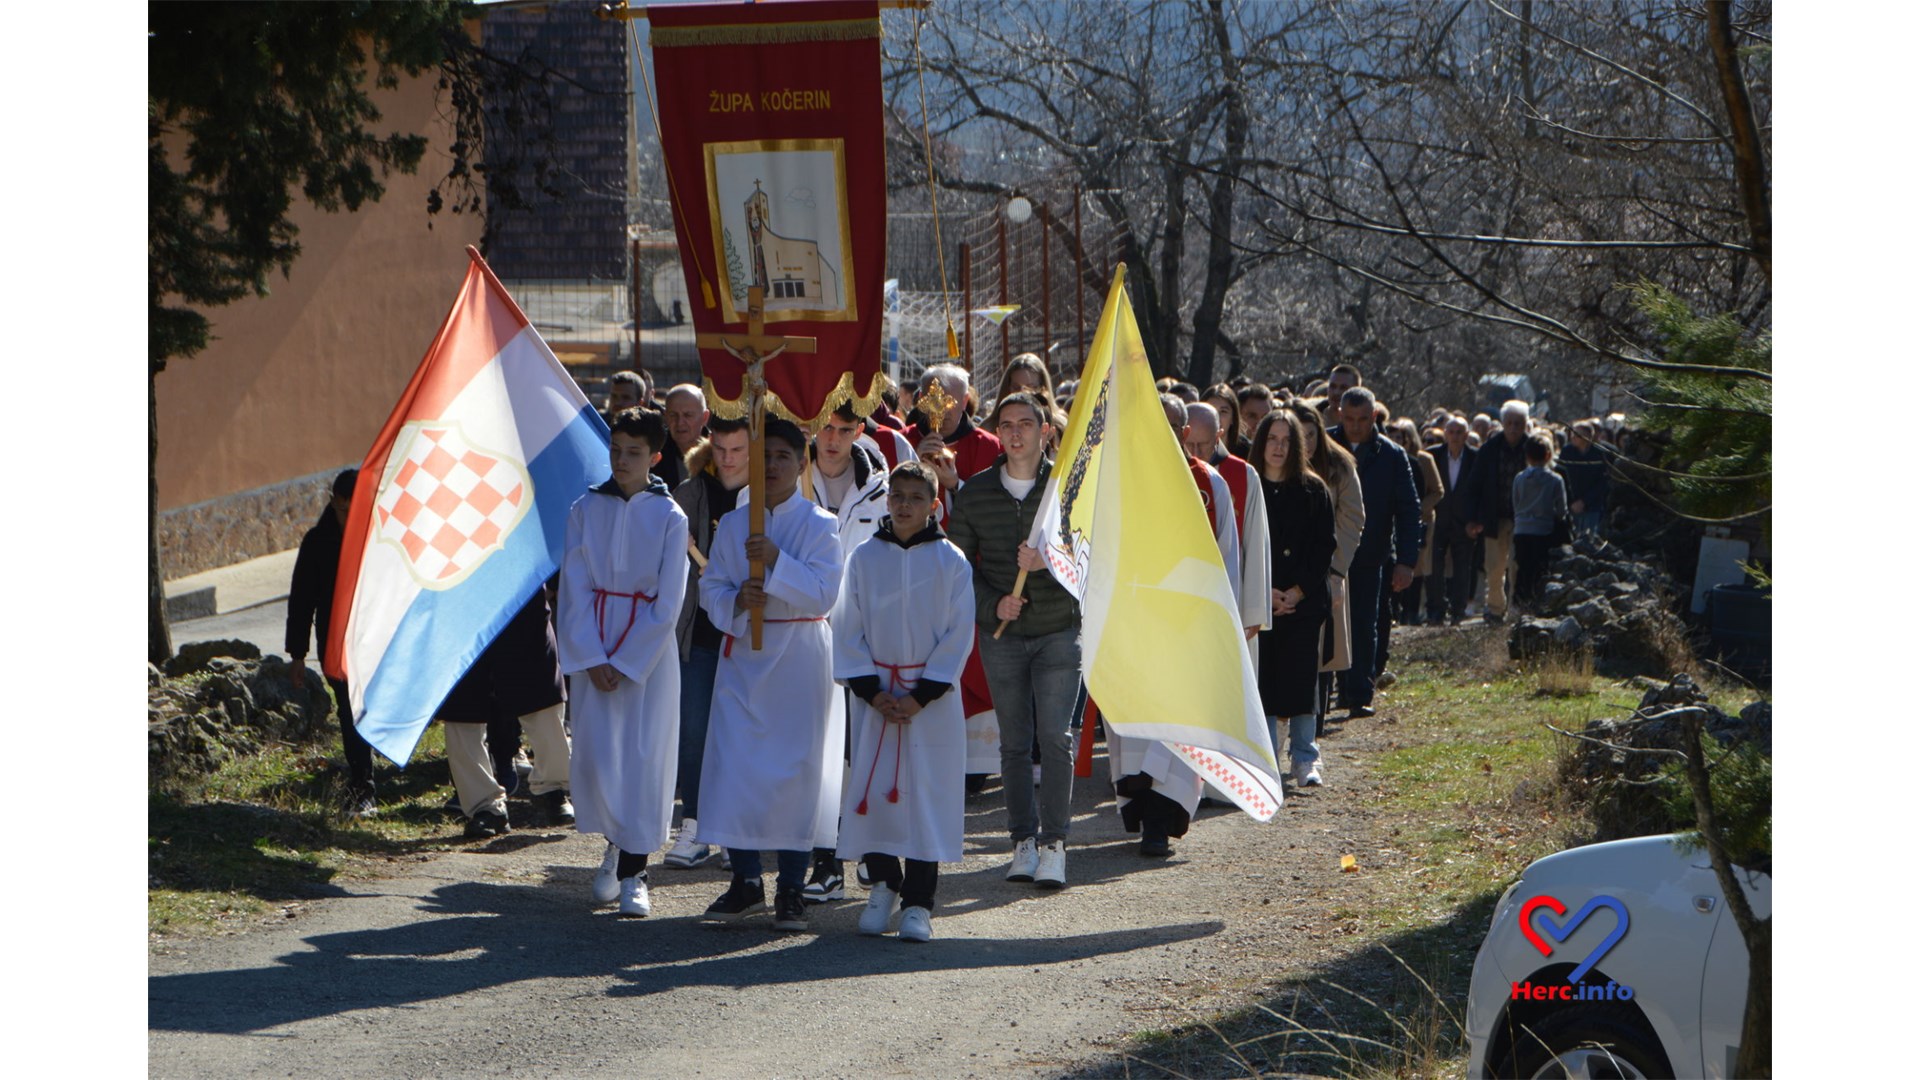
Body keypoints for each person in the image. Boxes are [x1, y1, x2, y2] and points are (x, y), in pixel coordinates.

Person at [697, 418, 847, 932]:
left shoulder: (821, 524)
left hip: (800, 657)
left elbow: (826, 593)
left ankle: (790, 888)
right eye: (767, 457)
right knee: (735, 765)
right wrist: (737, 598)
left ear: (802, 464)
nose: (775, 466)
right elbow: (711, 586)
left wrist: (777, 562)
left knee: (795, 775)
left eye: (785, 456)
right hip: (745, 656)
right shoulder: (736, 524)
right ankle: (744, 882)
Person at [833, 462, 975, 942]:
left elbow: (959, 635)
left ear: (935, 505)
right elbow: (847, 628)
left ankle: (919, 902)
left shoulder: (952, 561)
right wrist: (873, 692)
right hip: (876, 698)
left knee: (925, 798)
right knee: (873, 794)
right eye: (898, 495)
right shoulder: (864, 558)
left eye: (917, 497)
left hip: (928, 705)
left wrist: (920, 696)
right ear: (887, 499)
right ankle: (884, 884)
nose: (905, 504)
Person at [556, 408, 689, 917]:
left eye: (634, 452)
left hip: (647, 655)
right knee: (600, 756)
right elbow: (575, 586)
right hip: (596, 641)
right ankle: (614, 842)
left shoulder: (669, 516)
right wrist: (591, 656)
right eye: (615, 450)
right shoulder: (585, 509)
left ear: (655, 457)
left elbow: (668, 601)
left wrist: (629, 660)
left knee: (643, 757)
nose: (622, 460)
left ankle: (636, 868)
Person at [947, 392, 1078, 888]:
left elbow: (1092, 552)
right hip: (1002, 635)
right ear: (997, 433)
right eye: (1007, 425)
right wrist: (992, 605)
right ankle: (1023, 842)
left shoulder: (1065, 488)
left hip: (1059, 631)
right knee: (1014, 743)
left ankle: (1055, 845)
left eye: (1027, 423)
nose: (1016, 432)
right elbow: (958, 567)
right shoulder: (977, 493)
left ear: (1045, 431)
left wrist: (1053, 562)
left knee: (1055, 738)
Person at [1107, 395, 1243, 857]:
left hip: (1187, 626)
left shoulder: (1211, 485)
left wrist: (1222, 620)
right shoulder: (1117, 480)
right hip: (1133, 622)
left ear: (1186, 433)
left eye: (1169, 425)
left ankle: (1161, 823)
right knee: (1137, 724)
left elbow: (1227, 557)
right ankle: (1141, 809)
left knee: (1176, 723)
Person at [796, 401, 893, 903]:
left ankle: (871, 853)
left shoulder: (883, 491)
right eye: (825, 428)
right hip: (803, 635)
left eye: (843, 430)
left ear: (859, 432)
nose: (832, 440)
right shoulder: (790, 483)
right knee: (820, 755)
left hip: (861, 638)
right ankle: (825, 861)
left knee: (863, 753)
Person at [664, 416, 751, 870]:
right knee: (694, 733)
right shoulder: (692, 492)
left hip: (752, 637)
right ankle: (695, 825)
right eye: (720, 448)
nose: (728, 459)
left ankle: (738, 833)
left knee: (741, 735)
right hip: (699, 632)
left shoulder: (767, 495)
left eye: (738, 449)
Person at [435, 590, 574, 838]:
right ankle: (485, 807)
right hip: (460, 596)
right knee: (462, 711)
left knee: (543, 698)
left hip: (521, 591)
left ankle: (554, 788)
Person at [285, 468, 380, 817]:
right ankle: (362, 786)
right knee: (349, 711)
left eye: (354, 510)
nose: (347, 516)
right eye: (342, 509)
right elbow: (301, 601)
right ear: (335, 503)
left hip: (374, 638)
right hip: (336, 644)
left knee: (371, 706)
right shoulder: (317, 542)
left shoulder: (378, 538)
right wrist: (297, 655)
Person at [1250, 411, 1336, 786]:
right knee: (1265, 678)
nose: (1278, 447)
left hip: (1304, 601)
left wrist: (1297, 591)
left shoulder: (1313, 490)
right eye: (1272, 439)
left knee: (1302, 681)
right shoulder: (1250, 485)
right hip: (1261, 599)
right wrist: (1263, 593)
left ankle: (1304, 757)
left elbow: (1323, 547)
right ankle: (1267, 758)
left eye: (1286, 440)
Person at [1326, 388, 1421, 716]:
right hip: (1327, 552)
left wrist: (1407, 561)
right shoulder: (1323, 446)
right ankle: (1326, 693)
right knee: (1327, 621)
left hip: (1371, 553)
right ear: (1339, 413)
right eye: (1349, 419)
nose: (1355, 426)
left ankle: (1358, 693)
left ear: (1374, 417)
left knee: (1365, 623)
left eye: (1363, 419)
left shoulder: (1392, 455)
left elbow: (1409, 509)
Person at [1289, 401, 1362, 728]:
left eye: (1310, 435)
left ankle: (1314, 726)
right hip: (1287, 572)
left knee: (1323, 651)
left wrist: (1335, 568)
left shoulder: (1339, 466)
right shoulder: (1275, 465)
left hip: (1328, 568)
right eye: (1297, 436)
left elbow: (1353, 518)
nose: (1305, 443)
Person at [1464, 400, 1534, 624]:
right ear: (1503, 423)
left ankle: (1514, 609)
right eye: (1510, 423)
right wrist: (1472, 518)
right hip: (1494, 517)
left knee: (1516, 566)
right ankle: (1494, 609)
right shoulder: (1489, 449)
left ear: (1525, 424)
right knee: (1494, 568)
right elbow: (1474, 485)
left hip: (1522, 519)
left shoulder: (1532, 447)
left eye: (1519, 423)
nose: (1514, 427)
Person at [902, 364, 1003, 517]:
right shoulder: (901, 440)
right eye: (935, 401)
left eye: (948, 402)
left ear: (964, 401)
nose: (941, 410)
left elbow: (993, 508)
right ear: (922, 399)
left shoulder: (989, 446)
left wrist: (956, 485)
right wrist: (912, 461)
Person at [1389, 418, 1443, 629]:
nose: (1396, 440)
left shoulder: (1423, 460)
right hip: (1395, 519)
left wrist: (1416, 509)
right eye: (1392, 436)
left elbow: (1437, 491)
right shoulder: (1388, 457)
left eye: (1400, 437)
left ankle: (1413, 611)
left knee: (1417, 565)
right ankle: (1398, 611)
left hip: (1422, 519)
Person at [1426, 415, 1480, 625]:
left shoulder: (1476, 457)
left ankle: (1458, 610)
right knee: (1434, 567)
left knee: (1462, 567)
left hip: (1465, 523)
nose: (1455, 436)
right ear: (1445, 434)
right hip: (1438, 520)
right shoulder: (1433, 455)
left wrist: (1476, 521)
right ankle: (1435, 610)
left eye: (1460, 432)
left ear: (1466, 435)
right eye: (1451, 432)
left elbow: (1481, 491)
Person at [1511, 433, 1569, 611]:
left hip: (1521, 530)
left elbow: (1515, 502)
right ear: (1548, 455)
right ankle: (1539, 602)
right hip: (1544, 530)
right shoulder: (1555, 480)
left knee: (1522, 567)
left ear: (1527, 456)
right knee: (1541, 569)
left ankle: (1520, 603)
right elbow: (1561, 509)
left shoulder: (1519, 478)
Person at [1558, 419, 1612, 538]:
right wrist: (1571, 502)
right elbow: (1561, 477)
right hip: (1571, 505)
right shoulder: (1567, 452)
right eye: (1572, 433)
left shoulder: (1600, 454)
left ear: (1588, 437)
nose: (1573, 437)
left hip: (1593, 506)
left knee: (1591, 540)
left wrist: (1585, 501)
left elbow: (1603, 482)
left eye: (1577, 434)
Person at [656, 384, 710, 491]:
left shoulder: (720, 453)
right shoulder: (654, 452)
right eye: (673, 415)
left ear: (704, 417)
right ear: (665, 417)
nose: (680, 423)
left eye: (688, 415)